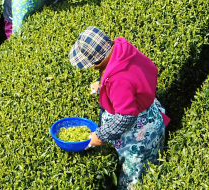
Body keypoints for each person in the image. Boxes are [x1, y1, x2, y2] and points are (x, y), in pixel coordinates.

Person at [71, 26, 170, 190]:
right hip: (148, 111)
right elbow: (129, 76)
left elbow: (126, 116)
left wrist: (100, 135)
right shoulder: (121, 49)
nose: (92, 67)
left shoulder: (118, 80)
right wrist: (102, 83)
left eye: (91, 63)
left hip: (139, 133)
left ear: (99, 60)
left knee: (135, 176)